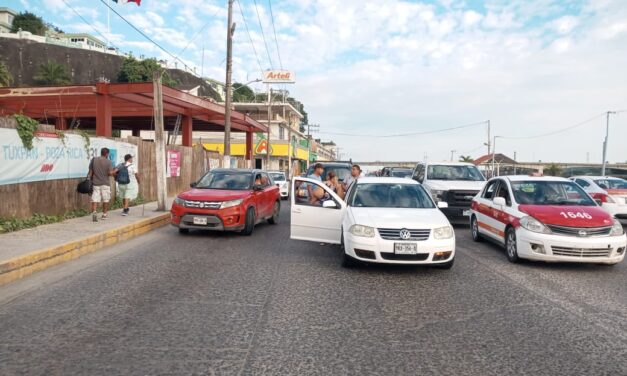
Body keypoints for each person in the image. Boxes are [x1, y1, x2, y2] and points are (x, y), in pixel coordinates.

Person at [88, 148, 114, 222]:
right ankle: (104, 215)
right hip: (105, 183)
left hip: (95, 183)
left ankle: (94, 213)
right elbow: (109, 173)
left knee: (95, 199)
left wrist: (90, 180)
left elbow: (90, 172)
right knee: (105, 199)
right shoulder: (109, 162)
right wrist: (113, 172)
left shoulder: (94, 160)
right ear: (107, 154)